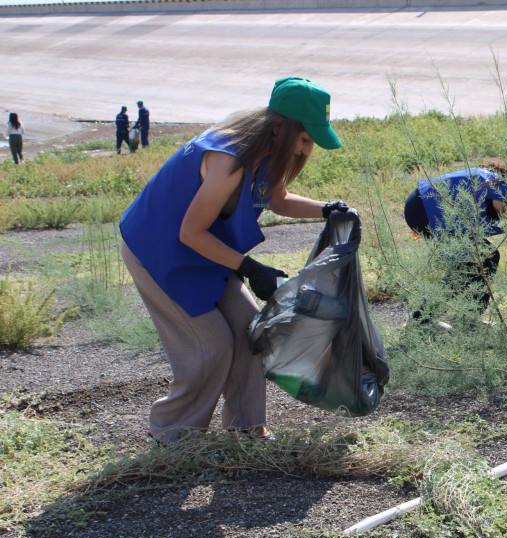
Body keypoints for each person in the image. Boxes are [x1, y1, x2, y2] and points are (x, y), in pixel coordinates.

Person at [119, 76, 347, 445]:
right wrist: (249, 268)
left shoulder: (268, 152)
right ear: (279, 128)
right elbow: (189, 233)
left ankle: (246, 429)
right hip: (158, 251)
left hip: (207, 249)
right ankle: (172, 435)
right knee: (209, 346)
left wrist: (328, 209)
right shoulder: (230, 157)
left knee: (251, 330)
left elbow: (279, 200)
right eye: (304, 139)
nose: (305, 151)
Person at [403, 158, 507, 320]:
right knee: (484, 258)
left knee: (483, 258)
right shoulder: (506, 196)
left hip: (431, 210)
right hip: (422, 207)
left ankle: (464, 319)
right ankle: (425, 320)